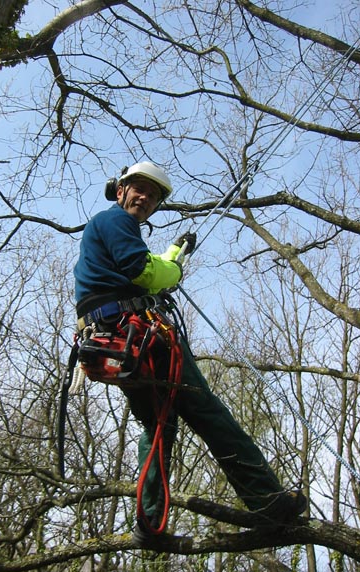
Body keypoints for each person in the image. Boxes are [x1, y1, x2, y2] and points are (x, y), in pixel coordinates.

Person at [73, 161, 307, 546]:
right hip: (138, 337)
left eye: (154, 195)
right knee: (206, 410)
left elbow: (142, 270)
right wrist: (173, 272)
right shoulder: (113, 221)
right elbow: (142, 270)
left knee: (160, 426)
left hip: (116, 341)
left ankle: (149, 524)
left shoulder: (108, 230)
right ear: (120, 191)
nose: (145, 198)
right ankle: (268, 502)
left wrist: (172, 257)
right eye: (139, 189)